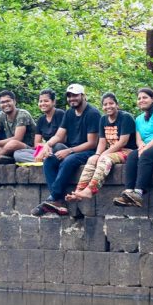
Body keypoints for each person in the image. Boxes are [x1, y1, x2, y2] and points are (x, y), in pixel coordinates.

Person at [32, 83, 101, 216]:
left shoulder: (92, 113)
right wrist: (47, 145)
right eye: (69, 96)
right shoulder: (69, 113)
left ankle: (53, 198)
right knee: (49, 160)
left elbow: (92, 143)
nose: (71, 99)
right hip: (72, 149)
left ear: (83, 96)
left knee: (68, 160)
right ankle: (58, 202)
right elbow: (59, 135)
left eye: (75, 95)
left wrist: (69, 151)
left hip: (89, 151)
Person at [65, 92, 136, 201]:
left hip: (128, 151)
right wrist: (97, 154)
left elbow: (123, 142)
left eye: (111, 103)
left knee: (105, 159)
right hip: (112, 152)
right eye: (105, 104)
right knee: (92, 159)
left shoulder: (125, 117)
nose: (108, 106)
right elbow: (102, 142)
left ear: (117, 105)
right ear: (102, 107)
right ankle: (79, 192)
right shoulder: (103, 119)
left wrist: (103, 155)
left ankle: (90, 190)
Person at [14, 89, 64, 164]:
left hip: (58, 148)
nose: (42, 103)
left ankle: (47, 159)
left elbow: (62, 138)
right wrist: (44, 149)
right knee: (18, 153)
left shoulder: (60, 114)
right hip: (45, 150)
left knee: (58, 146)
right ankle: (45, 160)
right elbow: (36, 143)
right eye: (40, 101)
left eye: (46, 101)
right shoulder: (41, 119)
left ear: (53, 102)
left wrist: (47, 147)